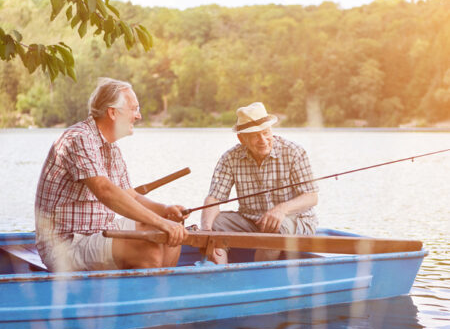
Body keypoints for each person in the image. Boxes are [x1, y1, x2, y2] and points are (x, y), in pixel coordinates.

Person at [35, 78, 188, 272]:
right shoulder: (79, 139)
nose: (138, 116)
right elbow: (105, 191)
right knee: (148, 248)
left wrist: (164, 210)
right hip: (65, 246)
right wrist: (160, 221)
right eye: (134, 109)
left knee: (169, 230)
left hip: (96, 232)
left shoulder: (111, 148)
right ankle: (149, 297)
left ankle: (158, 292)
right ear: (113, 112)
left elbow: (129, 195)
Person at [201, 102, 318, 263]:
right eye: (255, 135)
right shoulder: (230, 157)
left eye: (265, 132)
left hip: (296, 221)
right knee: (215, 224)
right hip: (251, 221)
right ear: (242, 139)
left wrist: (282, 210)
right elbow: (214, 198)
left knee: (274, 229)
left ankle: (255, 280)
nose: (263, 140)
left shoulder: (294, 152)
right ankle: (222, 277)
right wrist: (207, 231)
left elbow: (311, 197)